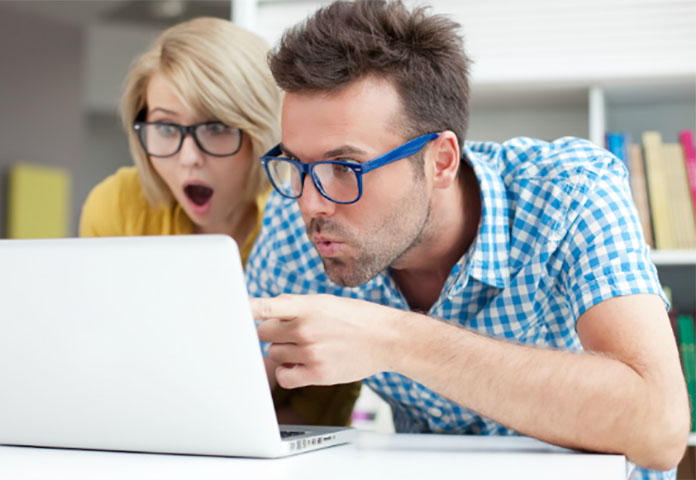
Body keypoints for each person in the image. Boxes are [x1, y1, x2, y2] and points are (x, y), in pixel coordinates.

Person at [245, 1, 690, 478]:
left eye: (344, 168)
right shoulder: (296, 226)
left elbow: (661, 429)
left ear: (440, 161)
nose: (310, 203)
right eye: (297, 165)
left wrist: (394, 338)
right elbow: (235, 387)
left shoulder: (570, 192)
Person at [79, 17, 360, 427]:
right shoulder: (117, 206)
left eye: (215, 127)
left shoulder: (306, 225)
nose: (188, 158)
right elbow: (100, 358)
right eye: (165, 127)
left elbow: (318, 411)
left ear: (260, 130)